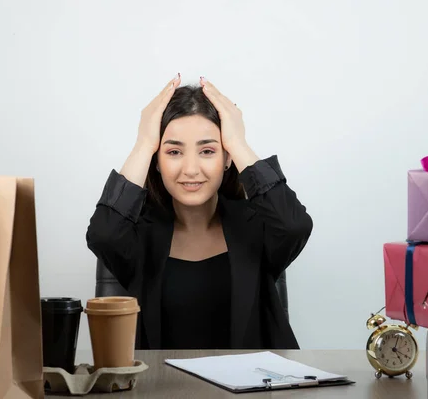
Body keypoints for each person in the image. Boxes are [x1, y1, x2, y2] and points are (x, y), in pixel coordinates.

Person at [86, 74, 313, 350]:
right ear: (156, 161)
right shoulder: (138, 233)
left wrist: (238, 143)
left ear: (227, 157)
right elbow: (103, 234)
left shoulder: (256, 225)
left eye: (207, 151)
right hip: (162, 389)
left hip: (248, 389)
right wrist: (144, 144)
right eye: (173, 152)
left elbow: (294, 226)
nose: (191, 169)